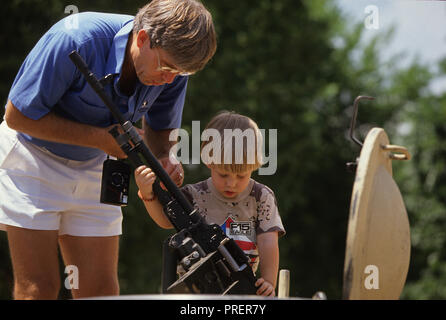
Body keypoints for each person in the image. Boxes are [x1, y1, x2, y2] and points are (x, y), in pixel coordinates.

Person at [0, 0, 216, 299]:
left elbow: (161, 132)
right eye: (167, 67)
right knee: (39, 288)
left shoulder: (173, 71)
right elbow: (17, 116)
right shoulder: (75, 39)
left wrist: (166, 158)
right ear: (142, 39)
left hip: (97, 164)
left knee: (100, 291)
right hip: (32, 159)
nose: (170, 79)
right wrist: (100, 139)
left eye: (179, 73)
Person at [135, 111, 285, 296]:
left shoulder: (261, 196)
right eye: (223, 174)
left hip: (239, 290)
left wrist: (269, 281)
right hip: (195, 290)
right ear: (208, 161)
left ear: (254, 166)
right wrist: (148, 193)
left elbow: (268, 240)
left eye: (241, 175)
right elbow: (165, 220)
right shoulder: (193, 195)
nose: (231, 183)